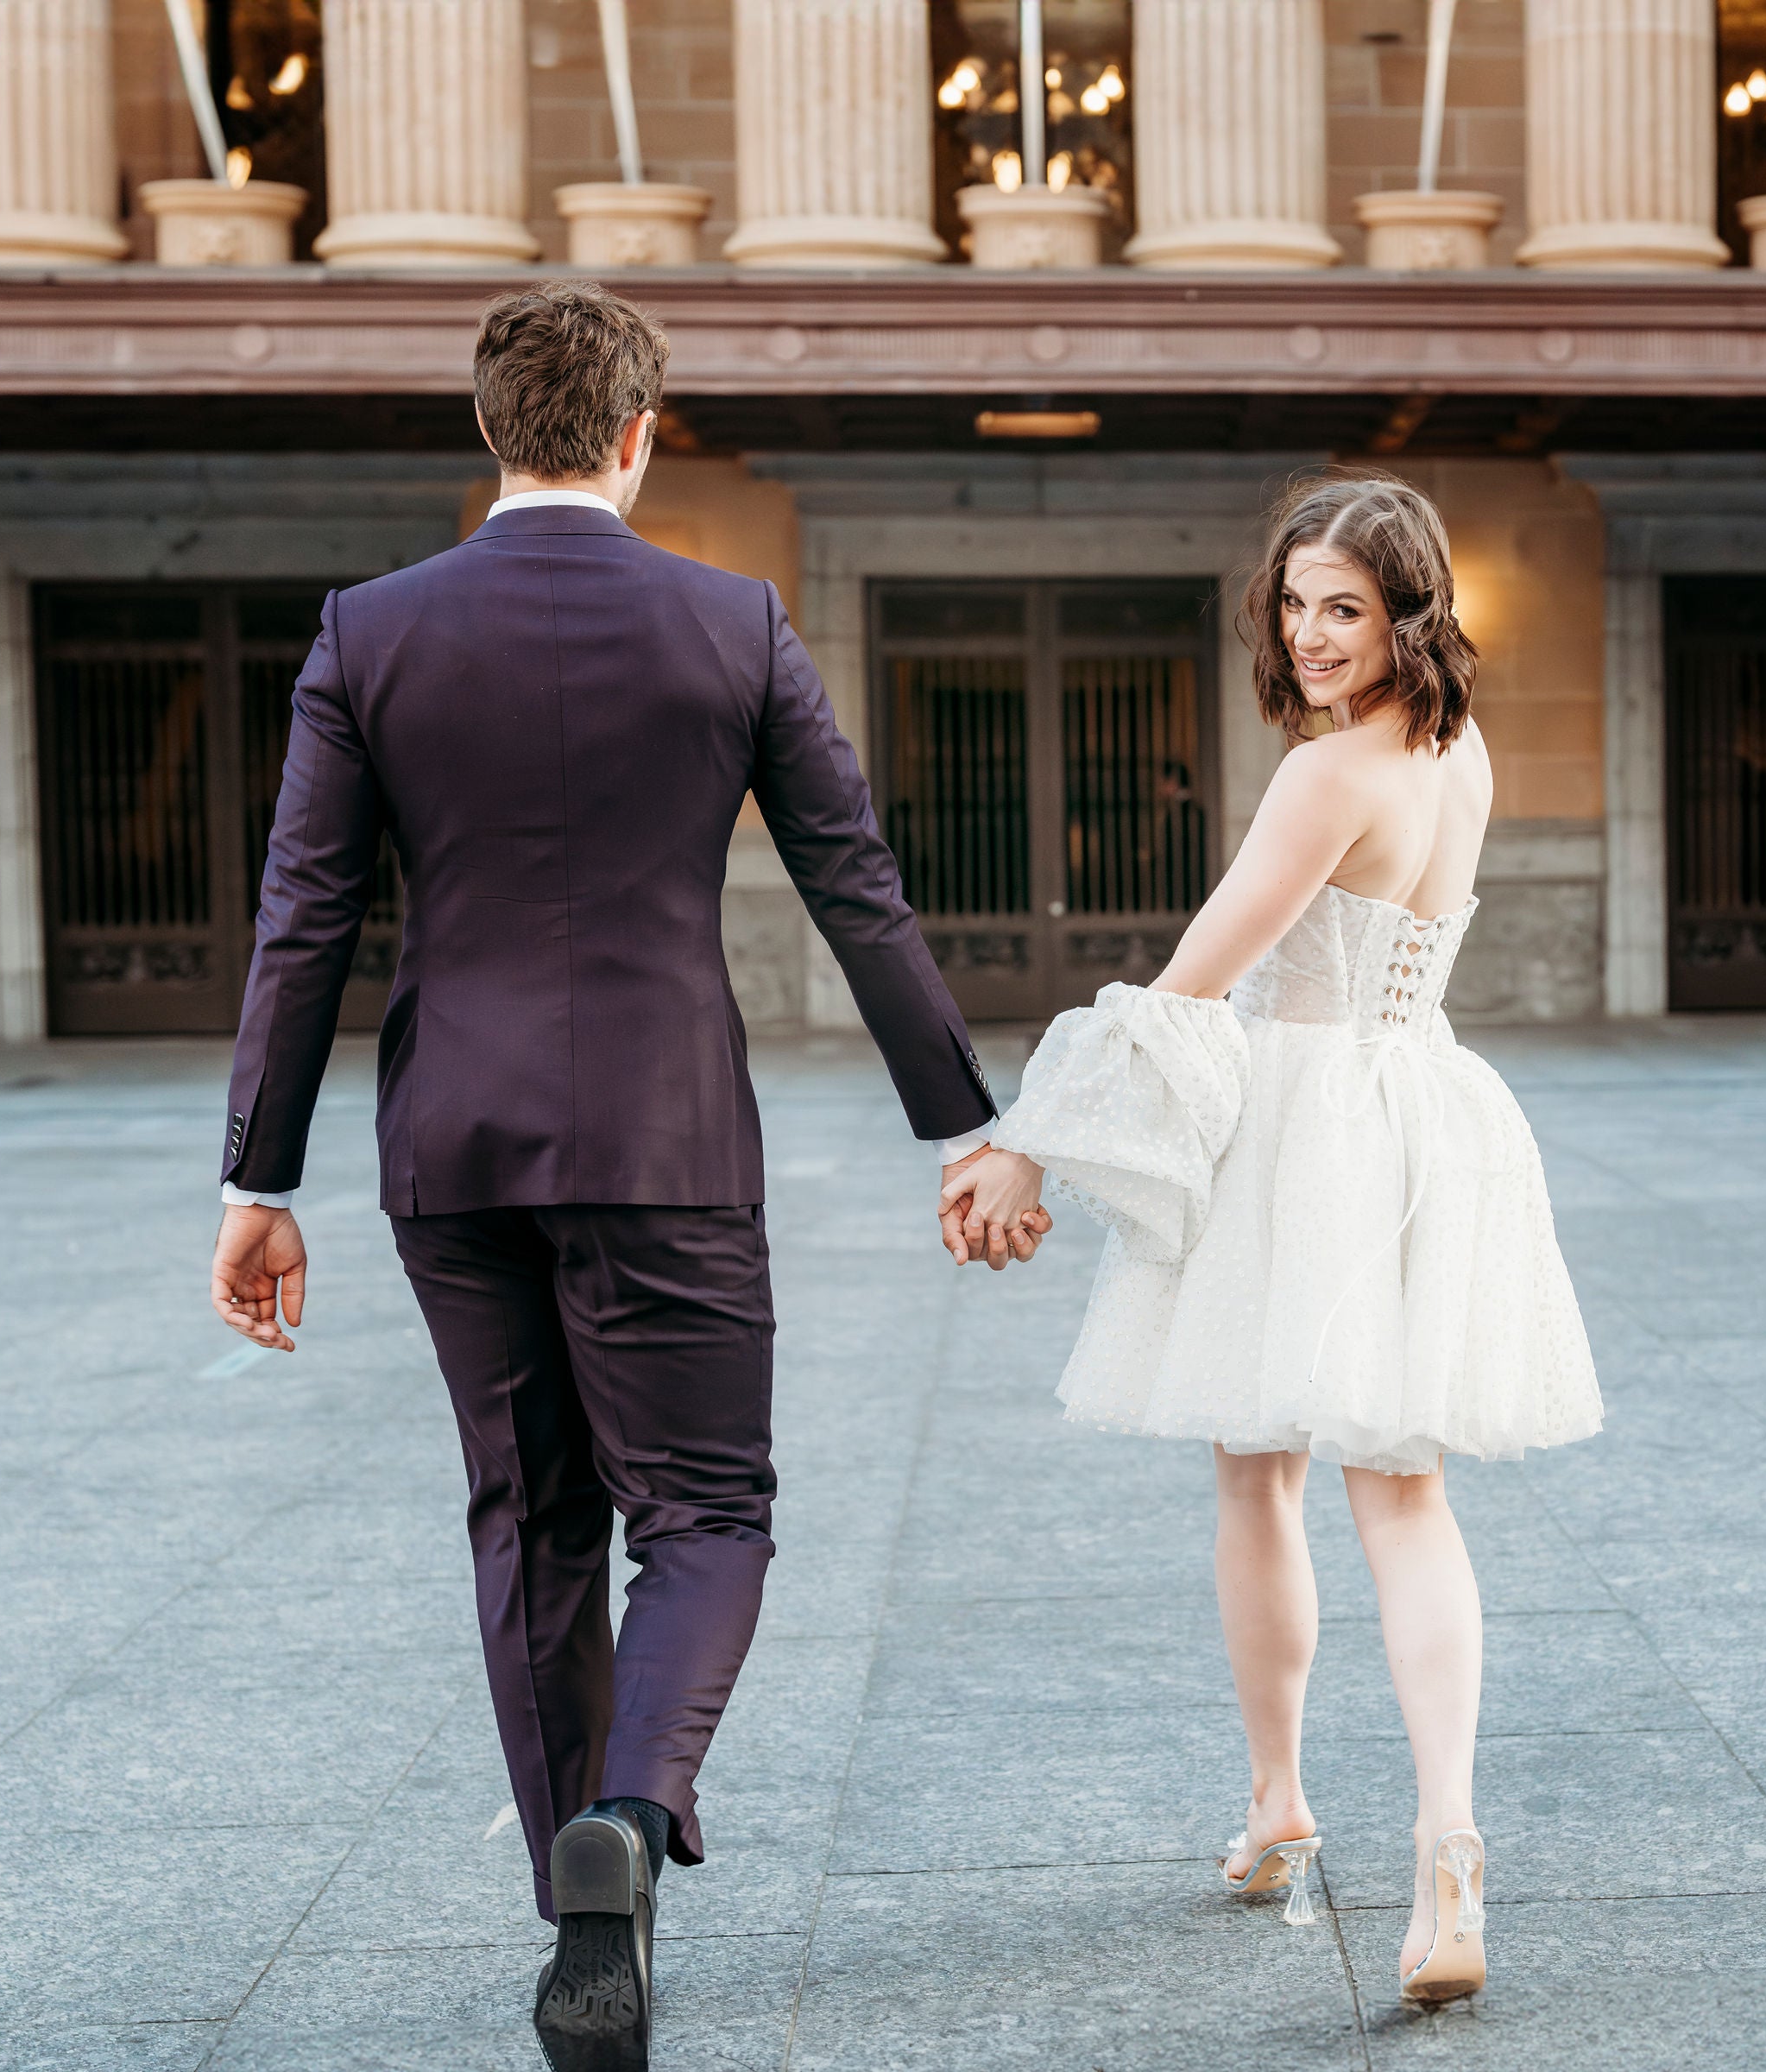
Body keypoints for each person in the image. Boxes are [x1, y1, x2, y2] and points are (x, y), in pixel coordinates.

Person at [205, 281, 1039, 2072]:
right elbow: (857, 886)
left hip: (451, 1148)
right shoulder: (732, 626)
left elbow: (305, 921)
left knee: (530, 1520)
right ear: (644, 433)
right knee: (710, 1515)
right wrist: (965, 1127)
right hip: (664, 1137)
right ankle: (634, 1823)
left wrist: (252, 1180)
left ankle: (581, 1903)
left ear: (488, 432)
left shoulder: (370, 634)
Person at [943, 471, 1603, 2008]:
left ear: (1407, 614)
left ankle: (1280, 1802)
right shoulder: (1462, 750)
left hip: (1307, 1129)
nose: (1311, 635)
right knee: (1407, 1492)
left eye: (1346, 609)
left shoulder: (1326, 779)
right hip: (1426, 1106)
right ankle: (1445, 1845)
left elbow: (1190, 985)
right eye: (1297, 604)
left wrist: (1023, 1143)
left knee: (1261, 1472)